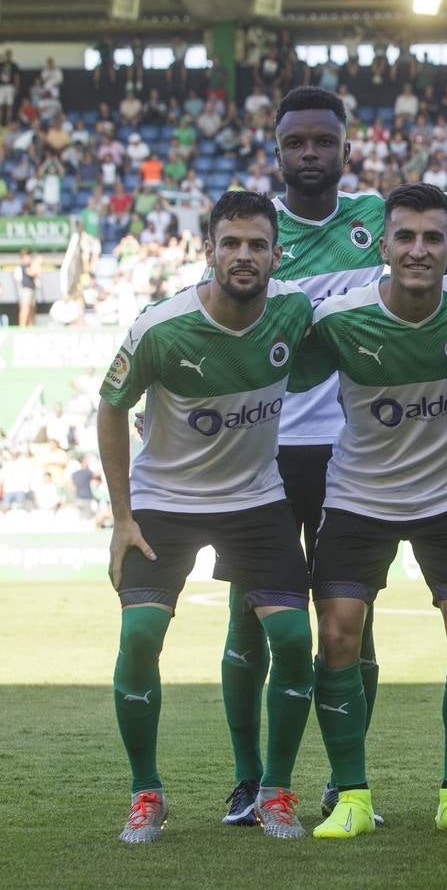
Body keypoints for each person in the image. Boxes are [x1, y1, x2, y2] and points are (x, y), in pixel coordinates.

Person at [289, 183, 447, 839]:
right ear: (382, 245)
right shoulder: (338, 318)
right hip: (358, 498)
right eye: (405, 237)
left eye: (432, 238)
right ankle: (351, 795)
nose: (418, 249)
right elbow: (275, 373)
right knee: (336, 638)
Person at [96, 191, 316, 843]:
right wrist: (120, 515)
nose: (243, 255)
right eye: (230, 243)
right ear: (208, 251)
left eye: (256, 244)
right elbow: (111, 408)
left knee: (294, 641)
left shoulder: (296, 312)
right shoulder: (160, 327)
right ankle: (146, 794)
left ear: (278, 254)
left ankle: (274, 793)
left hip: (256, 501)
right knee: (138, 637)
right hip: (164, 502)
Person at [213, 86, 389, 829]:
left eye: (324, 141)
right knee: (249, 618)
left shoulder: (377, 218)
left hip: (354, 453)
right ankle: (248, 780)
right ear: (277, 150)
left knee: (355, 616)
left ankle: (345, 783)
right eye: (297, 142)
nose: (310, 153)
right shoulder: (253, 230)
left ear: (347, 147)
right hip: (263, 453)